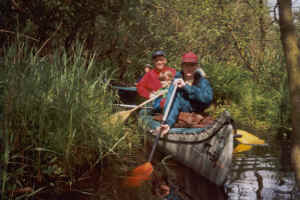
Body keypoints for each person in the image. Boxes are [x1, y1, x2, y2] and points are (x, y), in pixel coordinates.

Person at [159, 52, 213, 136]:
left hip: (198, 115)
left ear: (196, 67)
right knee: (174, 96)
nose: (189, 68)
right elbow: (172, 102)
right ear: (182, 67)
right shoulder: (176, 82)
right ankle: (168, 124)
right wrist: (168, 123)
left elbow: (207, 99)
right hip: (184, 115)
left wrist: (186, 87)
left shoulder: (203, 81)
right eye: (186, 65)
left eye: (192, 65)